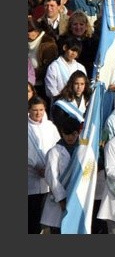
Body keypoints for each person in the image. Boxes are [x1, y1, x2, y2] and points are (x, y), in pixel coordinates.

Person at [41, 117, 82, 234]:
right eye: (66, 134)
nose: (70, 137)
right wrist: (62, 199)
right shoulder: (54, 151)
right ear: (61, 133)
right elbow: (51, 177)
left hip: (77, 198)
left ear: (78, 132)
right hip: (59, 202)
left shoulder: (83, 149)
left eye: (73, 134)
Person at [28, 96, 60, 234]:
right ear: (29, 110)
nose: (38, 113)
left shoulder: (50, 126)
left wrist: (50, 167)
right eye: (35, 110)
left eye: (41, 110)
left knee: (49, 217)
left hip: (49, 177)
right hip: (30, 178)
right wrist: (35, 166)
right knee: (32, 216)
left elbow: (57, 146)